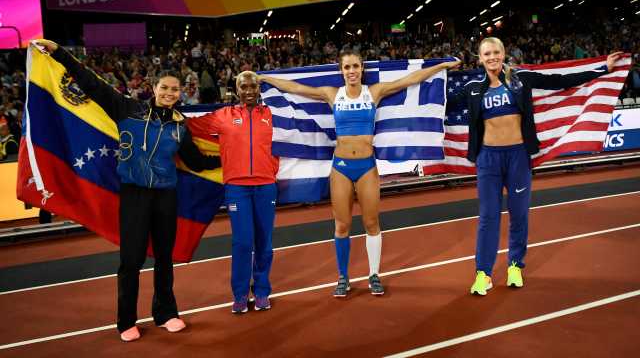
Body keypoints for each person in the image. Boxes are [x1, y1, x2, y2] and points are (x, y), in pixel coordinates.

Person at [35, 40, 220, 341]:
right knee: (131, 260)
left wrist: (231, 157)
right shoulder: (127, 109)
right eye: (165, 88)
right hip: (134, 195)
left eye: (175, 89)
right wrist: (59, 53)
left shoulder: (180, 125)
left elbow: (196, 162)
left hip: (165, 197)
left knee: (164, 257)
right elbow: (92, 84)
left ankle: (166, 313)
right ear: (154, 87)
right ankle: (126, 322)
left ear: (180, 93)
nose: (169, 93)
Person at [259, 50, 460, 297]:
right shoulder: (331, 94)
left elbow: (409, 80)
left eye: (355, 66)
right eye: (347, 67)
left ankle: (374, 274)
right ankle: (343, 277)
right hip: (341, 167)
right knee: (342, 225)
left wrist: (441, 66)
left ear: (361, 69)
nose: (352, 71)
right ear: (341, 71)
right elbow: (295, 87)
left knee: (371, 222)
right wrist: (264, 78)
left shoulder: (373, 92)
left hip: (366, 166)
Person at [453, 37, 622, 296]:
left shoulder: (521, 80)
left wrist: (602, 68)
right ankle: (483, 274)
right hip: (488, 159)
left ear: (504, 52)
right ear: (479, 58)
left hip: (518, 156)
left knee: (519, 215)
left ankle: (514, 266)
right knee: (488, 218)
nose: (492, 57)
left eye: (496, 51)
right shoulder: (474, 88)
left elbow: (559, 80)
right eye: (486, 53)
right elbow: (441, 103)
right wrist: (436, 69)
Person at [189, 71, 279, 314]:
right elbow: (190, 124)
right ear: (235, 90)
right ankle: (240, 294)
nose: (249, 90)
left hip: (265, 185)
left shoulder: (272, 114)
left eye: (253, 86)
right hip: (236, 187)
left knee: (264, 242)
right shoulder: (223, 116)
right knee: (242, 242)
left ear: (259, 89)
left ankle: (261, 291)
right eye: (243, 86)